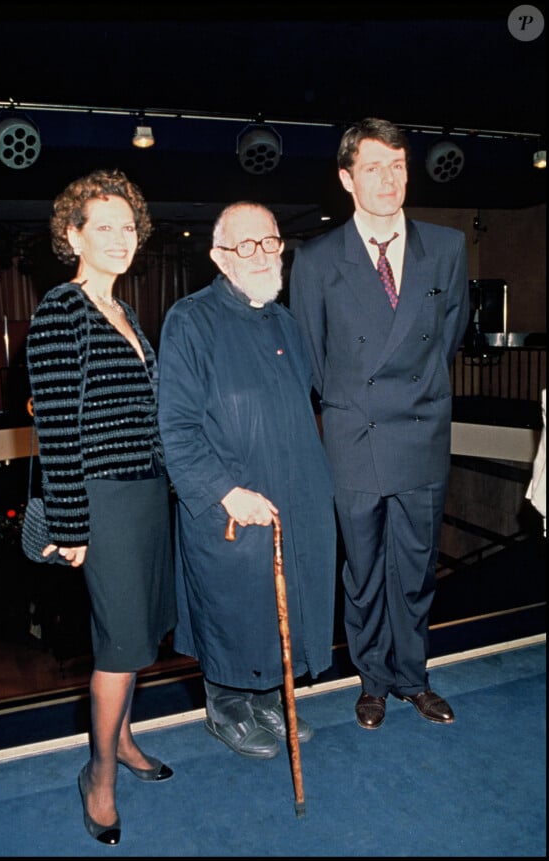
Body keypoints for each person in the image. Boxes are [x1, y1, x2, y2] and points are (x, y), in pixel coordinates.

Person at [290, 118, 470, 730]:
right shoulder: (315, 260)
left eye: (397, 165)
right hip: (354, 435)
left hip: (421, 431)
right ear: (347, 178)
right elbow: (313, 360)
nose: (388, 179)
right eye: (373, 167)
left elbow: (445, 341)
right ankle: (371, 680)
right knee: (363, 571)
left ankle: (413, 677)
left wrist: (416, 396)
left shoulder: (445, 247)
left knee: (417, 568)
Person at [26, 168, 176, 845]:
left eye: (128, 227)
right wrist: (70, 524)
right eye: (103, 226)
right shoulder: (63, 309)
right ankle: (101, 776)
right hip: (102, 503)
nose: (120, 238)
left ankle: (126, 739)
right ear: (72, 234)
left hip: (145, 494)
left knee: (139, 635)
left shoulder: (125, 312)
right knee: (117, 646)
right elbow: (57, 426)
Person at [157, 201, 336, 759]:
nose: (260, 255)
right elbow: (175, 428)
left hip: (293, 494)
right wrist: (227, 493)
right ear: (219, 257)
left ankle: (267, 701)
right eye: (244, 245)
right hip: (229, 499)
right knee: (233, 606)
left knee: (276, 607)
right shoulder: (190, 320)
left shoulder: (285, 320)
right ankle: (228, 709)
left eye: (269, 242)